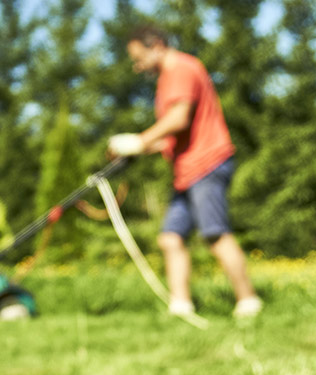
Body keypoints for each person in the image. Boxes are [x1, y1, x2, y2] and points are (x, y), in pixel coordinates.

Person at [107, 24, 262, 318]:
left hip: (206, 163)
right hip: (187, 171)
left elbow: (178, 119)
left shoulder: (180, 69)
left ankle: (248, 301)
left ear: (156, 45)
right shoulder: (167, 79)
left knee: (215, 234)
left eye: (138, 56)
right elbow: (171, 136)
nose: (136, 65)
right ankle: (181, 306)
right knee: (171, 238)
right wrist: (136, 147)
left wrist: (139, 140)